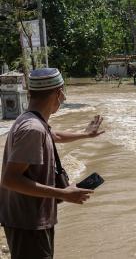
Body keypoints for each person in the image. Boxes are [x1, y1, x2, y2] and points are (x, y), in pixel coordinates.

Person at [0, 68, 105, 259]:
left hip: (27, 219)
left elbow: (53, 135)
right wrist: (63, 193)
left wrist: (86, 134)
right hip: (28, 222)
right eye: (63, 92)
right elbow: (10, 179)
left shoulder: (32, 121)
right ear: (58, 93)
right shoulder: (33, 129)